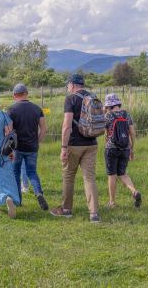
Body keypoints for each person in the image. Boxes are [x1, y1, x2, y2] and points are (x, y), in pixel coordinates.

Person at [50, 74, 101, 223]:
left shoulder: (71, 99)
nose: (67, 88)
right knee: (89, 178)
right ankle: (94, 214)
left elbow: (66, 126)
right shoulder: (93, 97)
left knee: (69, 176)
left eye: (68, 85)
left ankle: (66, 210)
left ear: (72, 85)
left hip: (74, 144)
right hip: (92, 143)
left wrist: (63, 147)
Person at [7, 84, 49, 210]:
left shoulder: (11, 110)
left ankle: (18, 200)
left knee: (15, 172)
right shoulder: (37, 109)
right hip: (32, 147)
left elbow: (8, 132)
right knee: (32, 172)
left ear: (14, 95)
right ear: (26, 93)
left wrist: (9, 149)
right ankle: (39, 193)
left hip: (17, 148)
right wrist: (37, 142)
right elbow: (44, 129)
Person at [103, 93, 141, 208]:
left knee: (112, 175)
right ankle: (134, 191)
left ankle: (112, 202)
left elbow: (105, 134)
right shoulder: (126, 114)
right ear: (118, 103)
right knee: (123, 173)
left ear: (108, 105)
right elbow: (132, 133)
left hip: (111, 148)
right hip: (125, 148)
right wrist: (131, 148)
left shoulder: (108, 116)